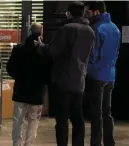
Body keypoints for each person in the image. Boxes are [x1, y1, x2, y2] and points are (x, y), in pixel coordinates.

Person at [34, 2, 95, 146]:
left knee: (62, 119)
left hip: (63, 80)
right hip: (80, 81)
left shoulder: (67, 29)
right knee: (77, 117)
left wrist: (40, 46)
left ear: (69, 13)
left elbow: (53, 50)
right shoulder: (90, 31)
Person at [8, 23, 51, 146]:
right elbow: (49, 70)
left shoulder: (18, 48)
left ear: (29, 31)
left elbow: (10, 67)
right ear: (41, 33)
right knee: (34, 119)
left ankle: (16, 143)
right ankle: (29, 143)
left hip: (20, 89)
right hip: (37, 91)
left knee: (18, 119)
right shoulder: (44, 51)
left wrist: (18, 77)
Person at [84, 2, 121, 146]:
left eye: (89, 12)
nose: (87, 14)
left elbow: (92, 55)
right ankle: (109, 142)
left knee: (96, 113)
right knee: (106, 112)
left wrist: (88, 70)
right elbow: (116, 53)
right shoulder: (115, 28)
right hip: (110, 75)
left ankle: (95, 143)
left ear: (96, 12)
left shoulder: (96, 29)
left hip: (96, 76)